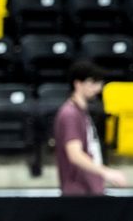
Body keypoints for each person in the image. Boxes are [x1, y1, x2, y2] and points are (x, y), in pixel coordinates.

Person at [54, 59, 128, 195]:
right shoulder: (70, 114)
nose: (98, 88)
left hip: (89, 190)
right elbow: (75, 154)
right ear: (78, 84)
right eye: (92, 82)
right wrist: (106, 172)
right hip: (78, 193)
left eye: (99, 83)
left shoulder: (82, 112)